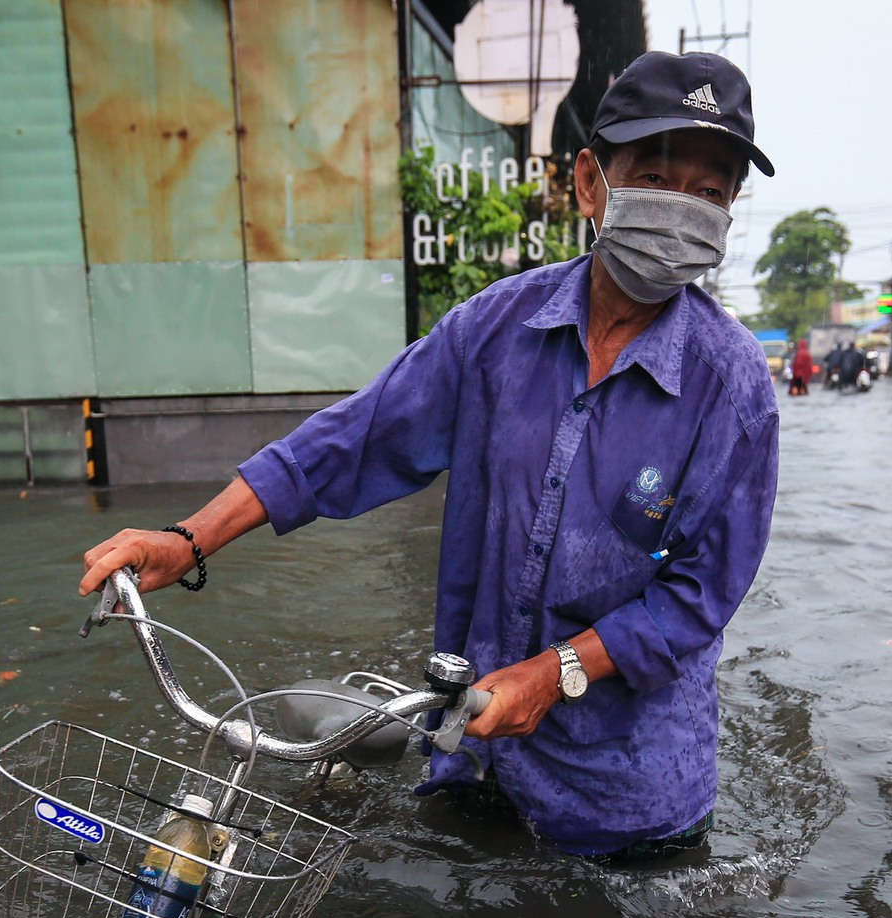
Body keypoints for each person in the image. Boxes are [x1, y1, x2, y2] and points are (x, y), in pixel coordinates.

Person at [78, 51, 780, 863]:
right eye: (657, 178)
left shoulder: (732, 387)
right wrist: (189, 539)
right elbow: (352, 439)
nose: (682, 210)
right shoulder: (493, 331)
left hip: (625, 801)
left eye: (710, 193)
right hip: (475, 756)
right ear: (590, 181)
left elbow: (697, 597)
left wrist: (554, 675)